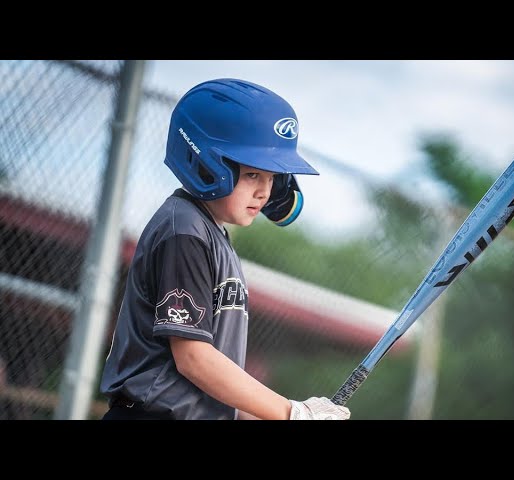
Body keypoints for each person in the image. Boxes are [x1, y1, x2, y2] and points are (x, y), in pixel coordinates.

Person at [100, 78, 350, 421]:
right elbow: (194, 359)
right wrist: (291, 412)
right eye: (252, 175)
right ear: (204, 162)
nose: (265, 191)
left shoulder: (211, 235)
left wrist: (280, 415)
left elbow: (212, 392)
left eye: (273, 177)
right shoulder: (184, 231)